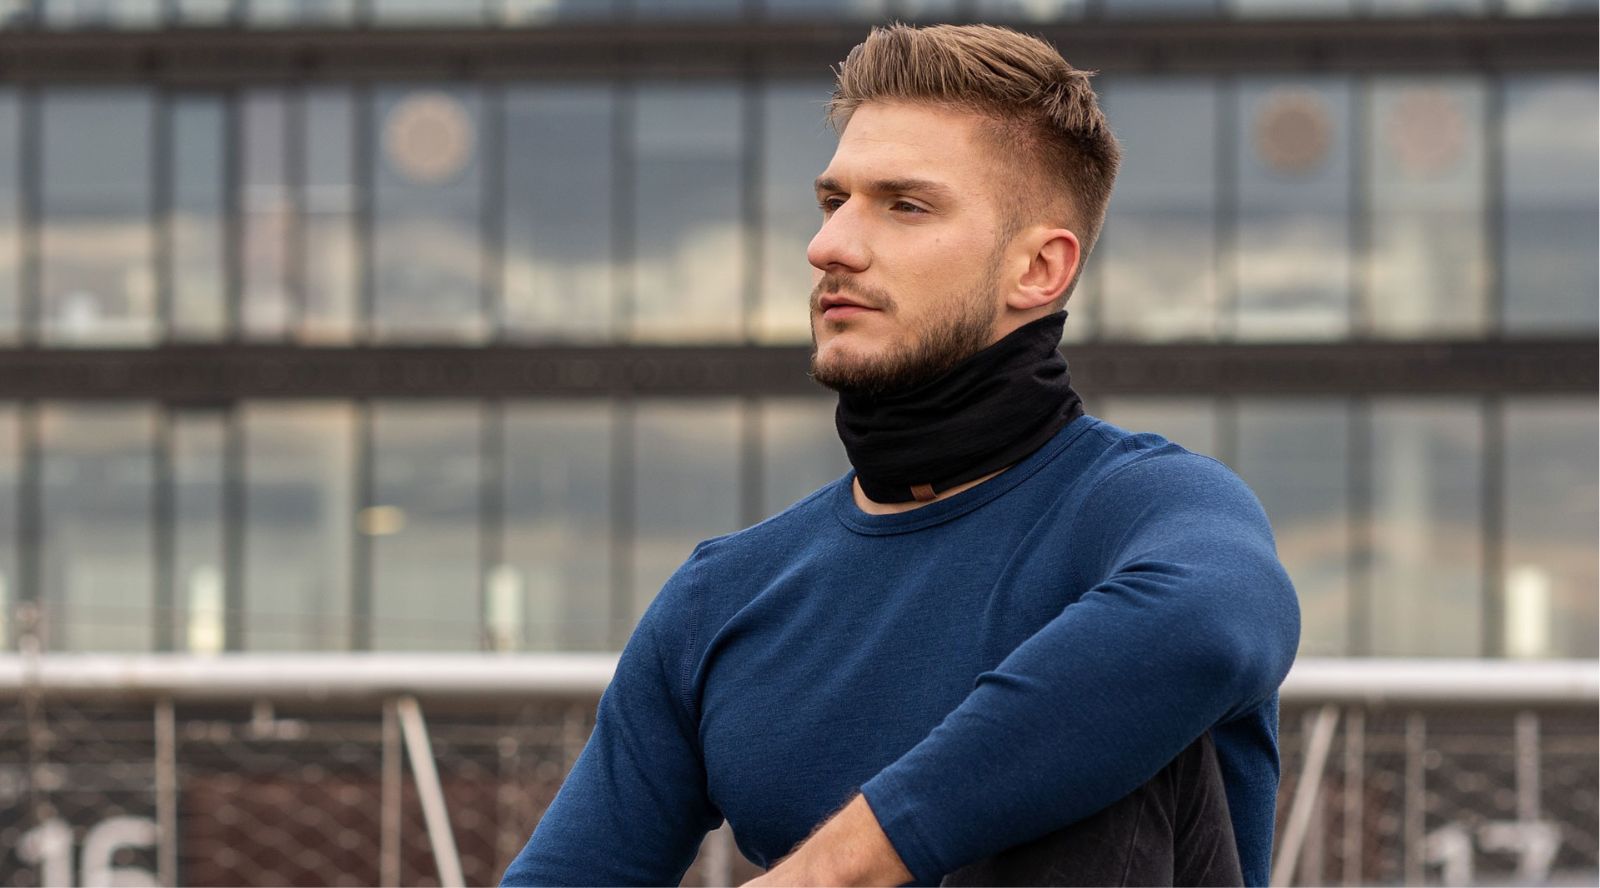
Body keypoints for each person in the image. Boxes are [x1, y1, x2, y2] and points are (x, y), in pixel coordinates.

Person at [501, 22, 1299, 888]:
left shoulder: (1149, 511)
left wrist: (832, 870)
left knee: (1103, 731)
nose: (831, 245)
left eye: (904, 205)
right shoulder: (723, 598)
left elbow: (1211, 626)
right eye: (832, 201)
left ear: (1038, 269)